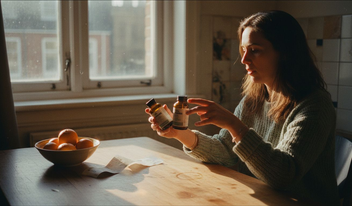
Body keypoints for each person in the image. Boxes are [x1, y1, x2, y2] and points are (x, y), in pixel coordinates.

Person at [145, 10, 339, 205]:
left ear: (286, 53)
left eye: (254, 50)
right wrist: (179, 133)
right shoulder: (253, 100)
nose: (244, 59)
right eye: (243, 49)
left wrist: (234, 125)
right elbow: (226, 152)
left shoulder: (315, 106)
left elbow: (283, 175)